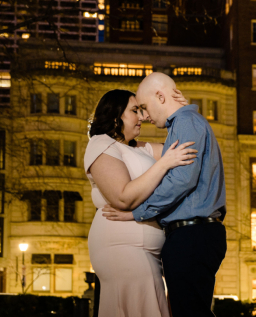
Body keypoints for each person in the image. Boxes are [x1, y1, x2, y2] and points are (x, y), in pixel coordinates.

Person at [103, 72, 227, 317]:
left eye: (145, 108)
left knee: (189, 312)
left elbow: (181, 180)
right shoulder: (187, 122)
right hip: (196, 234)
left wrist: (138, 213)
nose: (145, 116)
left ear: (160, 96)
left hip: (191, 235)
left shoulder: (186, 122)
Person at [84, 89, 197, 317]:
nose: (142, 117)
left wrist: (180, 112)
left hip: (148, 252)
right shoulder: (101, 144)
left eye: (142, 110)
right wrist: (163, 164)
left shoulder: (139, 147)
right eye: (135, 111)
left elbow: (187, 147)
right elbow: (123, 197)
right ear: (116, 115)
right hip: (121, 247)